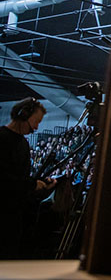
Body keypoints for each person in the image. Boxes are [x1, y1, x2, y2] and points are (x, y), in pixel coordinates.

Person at [0, 97, 55, 259]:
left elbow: (20, 178)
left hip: (14, 216)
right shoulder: (2, 139)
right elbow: (4, 179)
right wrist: (32, 184)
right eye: (36, 121)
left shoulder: (23, 144)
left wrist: (41, 184)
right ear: (23, 114)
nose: (37, 127)